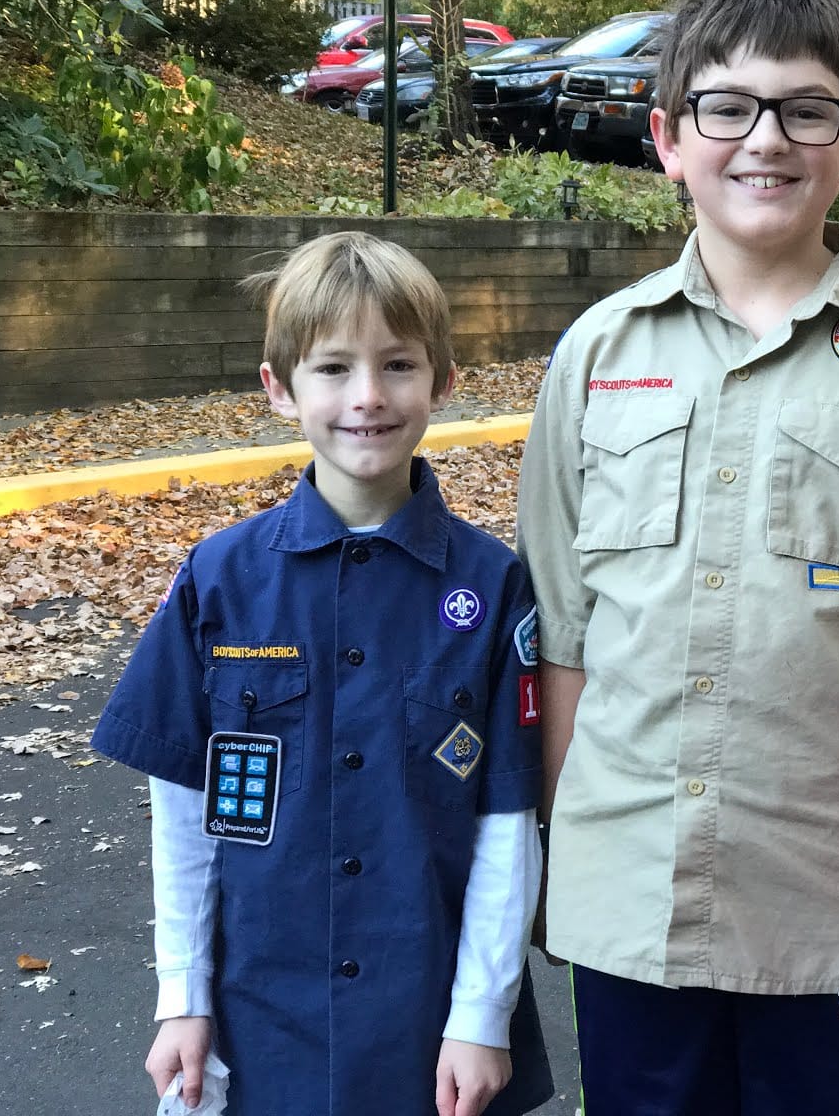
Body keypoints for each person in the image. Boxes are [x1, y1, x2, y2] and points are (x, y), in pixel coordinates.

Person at [516, 0, 839, 1116]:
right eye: (726, 107)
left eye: (806, 109)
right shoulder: (598, 354)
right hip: (634, 899)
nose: (765, 139)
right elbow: (561, 636)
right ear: (666, 137)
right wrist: (571, 854)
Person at [90, 231, 552, 1116]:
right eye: (333, 368)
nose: (368, 397)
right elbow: (183, 812)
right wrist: (183, 998)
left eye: (399, 365)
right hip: (260, 1017)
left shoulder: (493, 587)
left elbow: (509, 821)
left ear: (444, 381)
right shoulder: (219, 580)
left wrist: (482, 1015)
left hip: (429, 1022)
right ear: (279, 388)